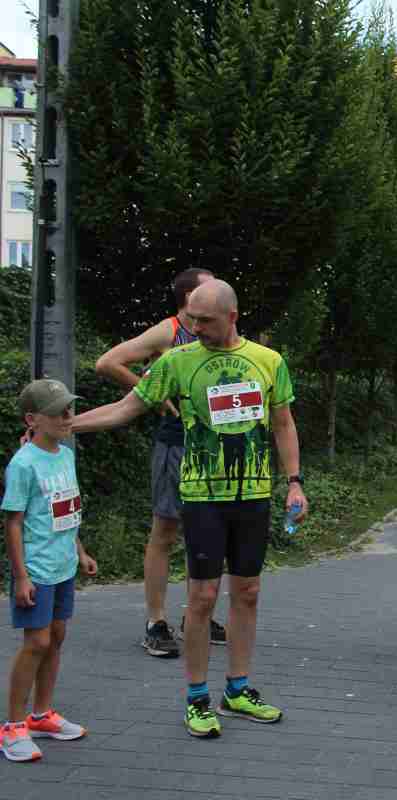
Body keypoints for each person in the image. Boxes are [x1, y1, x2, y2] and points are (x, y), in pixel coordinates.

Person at [72, 279, 308, 739]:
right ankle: (197, 698)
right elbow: (126, 408)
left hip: (253, 494)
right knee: (202, 598)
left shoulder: (268, 361)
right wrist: (67, 427)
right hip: (202, 497)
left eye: (204, 320)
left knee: (248, 592)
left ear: (232, 317)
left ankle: (237, 689)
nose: (195, 327)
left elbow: (283, 423)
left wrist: (294, 482)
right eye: (192, 318)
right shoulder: (177, 361)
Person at [95, 267, 225, 658]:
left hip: (210, 447)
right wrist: (153, 393)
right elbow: (108, 362)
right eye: (208, 287)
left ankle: (195, 616)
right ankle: (156, 622)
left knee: (204, 532)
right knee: (165, 530)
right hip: (175, 445)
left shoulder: (217, 331)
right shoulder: (168, 331)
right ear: (188, 297)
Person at [2, 380, 96, 762]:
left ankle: (41, 716)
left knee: (56, 637)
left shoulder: (66, 455)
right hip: (36, 568)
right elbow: (13, 523)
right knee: (37, 643)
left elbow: (67, 510)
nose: (67, 417)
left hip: (63, 566)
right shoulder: (23, 464)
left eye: (69, 410)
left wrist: (80, 552)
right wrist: (21, 576)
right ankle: (12, 727)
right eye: (58, 412)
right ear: (32, 419)